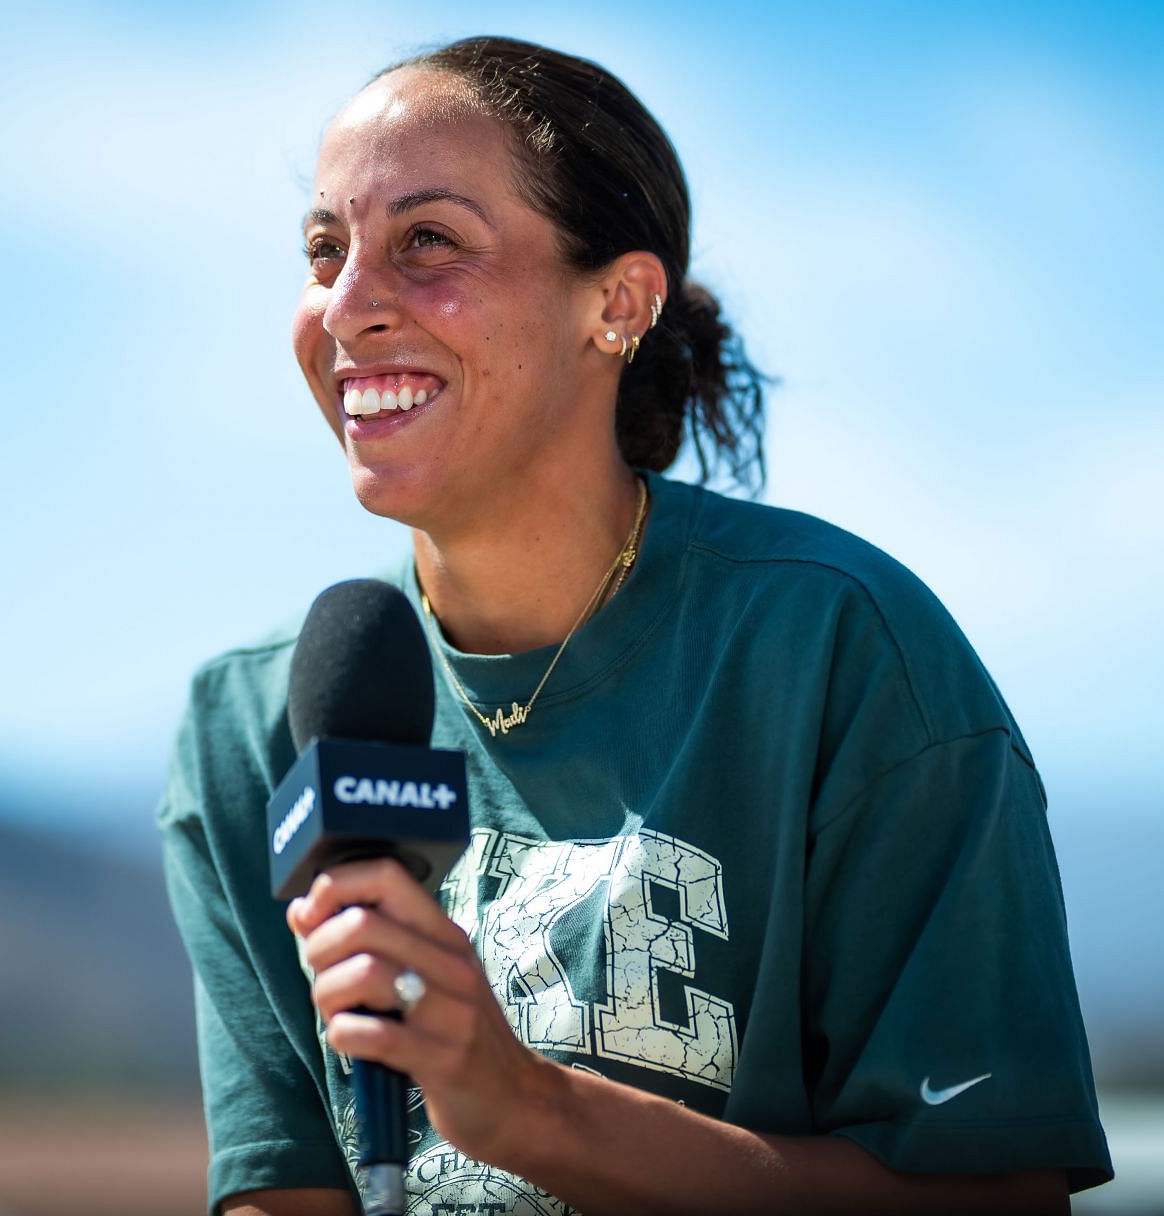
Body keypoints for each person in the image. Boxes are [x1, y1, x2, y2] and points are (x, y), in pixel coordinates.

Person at [159, 35, 1112, 1216]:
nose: (346, 307)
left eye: (428, 242)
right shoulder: (251, 725)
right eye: (322, 251)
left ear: (616, 304)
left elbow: (998, 1198)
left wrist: (532, 1109)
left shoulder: (844, 652)